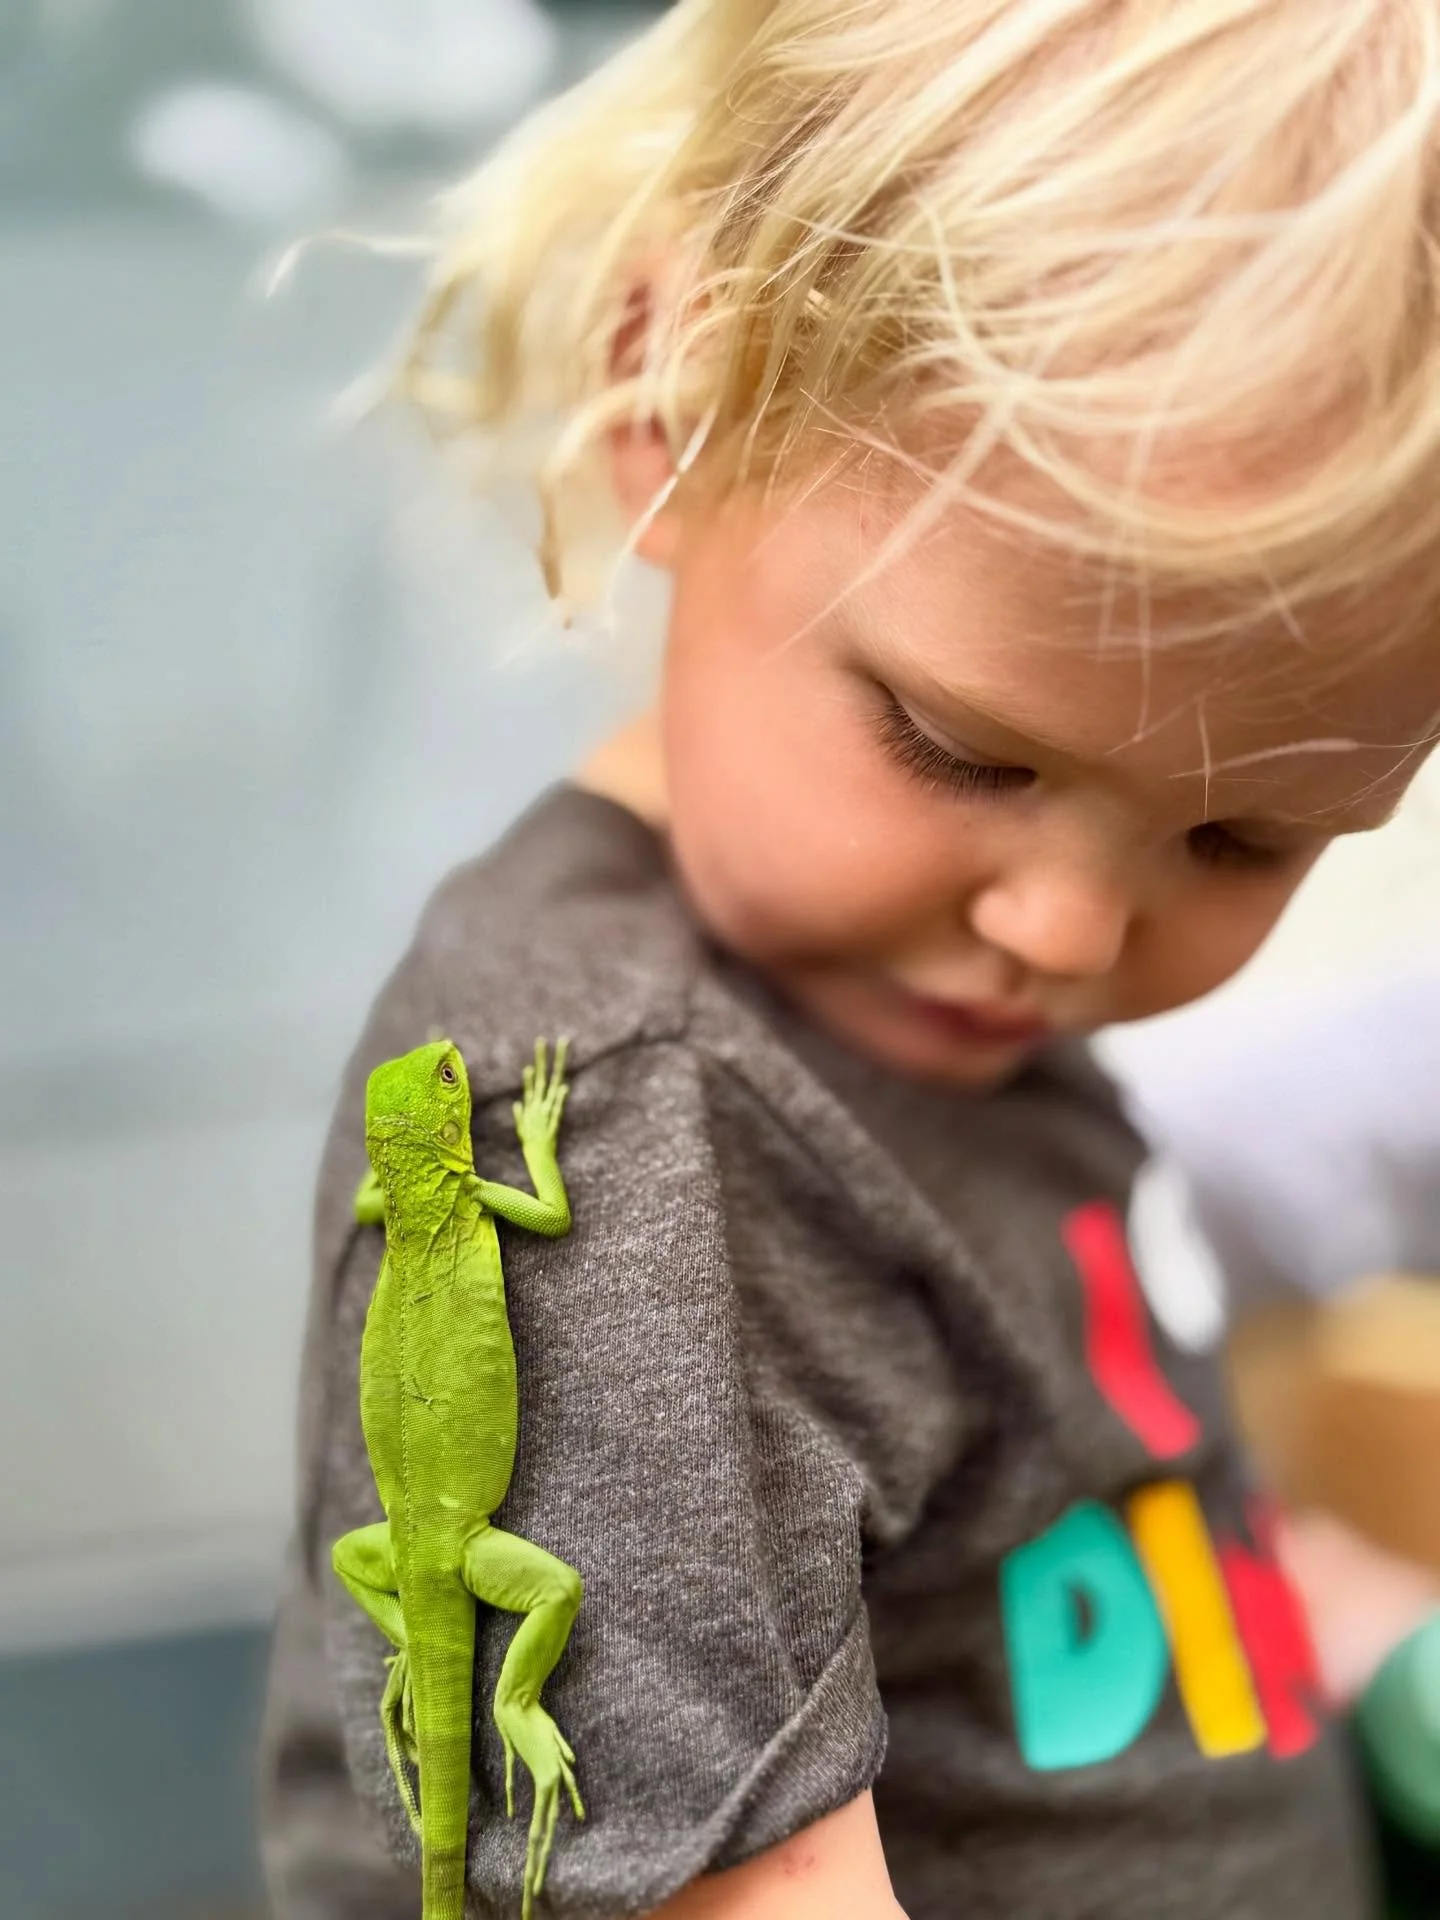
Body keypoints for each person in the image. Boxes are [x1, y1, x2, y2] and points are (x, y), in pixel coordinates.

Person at [259, 3, 1440, 1915]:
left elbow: (1077, 1526)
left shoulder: (935, 1014)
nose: (1066, 930)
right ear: (672, 392)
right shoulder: (628, 1156)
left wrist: (1359, 1634)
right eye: (961, 750)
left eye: (1246, 839)